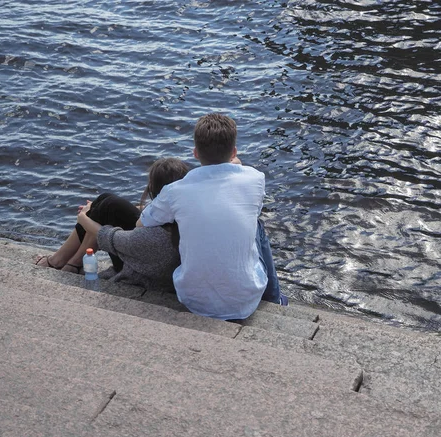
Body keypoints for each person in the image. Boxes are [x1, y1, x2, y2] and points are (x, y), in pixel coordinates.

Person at [138, 113, 287, 320]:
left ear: (195, 153)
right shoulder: (255, 179)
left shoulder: (175, 191)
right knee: (257, 225)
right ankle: (275, 298)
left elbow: (144, 221)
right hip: (245, 301)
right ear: (234, 151)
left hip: (193, 300)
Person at [35, 157, 190, 291]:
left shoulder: (148, 237)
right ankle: (70, 263)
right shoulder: (185, 213)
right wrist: (96, 208)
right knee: (106, 202)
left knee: (106, 207)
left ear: (152, 188)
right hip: (158, 263)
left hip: (141, 271)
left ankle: (65, 262)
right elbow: (150, 209)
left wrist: (83, 217)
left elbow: (104, 234)